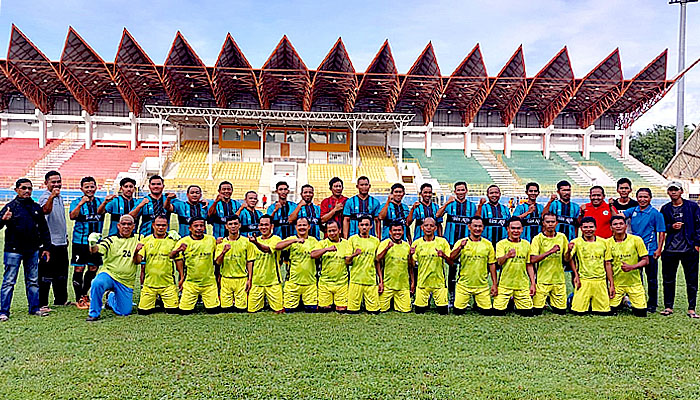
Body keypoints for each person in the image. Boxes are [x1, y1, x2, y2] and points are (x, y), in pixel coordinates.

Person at [0, 179, 51, 321]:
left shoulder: (36, 207)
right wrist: (4, 219)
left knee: (33, 281)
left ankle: (34, 308)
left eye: (29, 188)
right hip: (13, 250)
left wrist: (46, 247)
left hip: (32, 250)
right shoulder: (10, 207)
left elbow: (44, 229)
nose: (27, 191)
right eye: (23, 188)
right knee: (9, 282)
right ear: (16, 190)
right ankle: (3, 312)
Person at [85, 215, 141, 321]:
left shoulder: (139, 239)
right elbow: (96, 250)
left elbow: (153, 239)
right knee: (97, 282)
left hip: (126, 281)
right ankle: (94, 313)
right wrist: (92, 243)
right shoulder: (110, 240)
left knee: (124, 312)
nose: (126, 226)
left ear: (133, 226)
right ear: (118, 226)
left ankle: (110, 298)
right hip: (109, 274)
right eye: (123, 224)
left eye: (129, 224)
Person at [659, 181, 700, 318]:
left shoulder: (692, 206)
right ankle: (668, 307)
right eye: (671, 190)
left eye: (676, 190)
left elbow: (699, 225)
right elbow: (662, 227)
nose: (673, 192)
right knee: (668, 280)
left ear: (681, 191)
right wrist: (672, 227)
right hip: (670, 250)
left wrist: (697, 244)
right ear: (668, 192)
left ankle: (691, 308)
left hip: (689, 249)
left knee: (692, 280)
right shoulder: (665, 208)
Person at [621, 188, 666, 313]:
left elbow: (661, 232)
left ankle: (652, 304)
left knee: (651, 278)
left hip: (650, 251)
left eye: (645, 197)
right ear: (636, 198)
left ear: (650, 198)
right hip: (635, 251)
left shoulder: (655, 213)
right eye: (640, 197)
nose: (642, 199)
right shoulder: (633, 210)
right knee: (636, 278)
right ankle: (638, 301)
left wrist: (659, 249)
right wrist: (611, 205)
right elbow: (619, 217)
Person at [171, 217, 220, 314]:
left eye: (201, 226)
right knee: (184, 312)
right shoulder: (183, 241)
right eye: (196, 226)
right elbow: (173, 256)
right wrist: (181, 277)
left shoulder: (211, 240)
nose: (199, 228)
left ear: (205, 228)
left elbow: (217, 260)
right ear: (190, 228)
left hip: (209, 283)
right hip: (191, 283)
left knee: (213, 311)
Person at [69, 176, 105, 309]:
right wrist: (80, 204)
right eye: (86, 187)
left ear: (96, 188)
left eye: (92, 187)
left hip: (95, 243)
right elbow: (72, 216)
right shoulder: (76, 202)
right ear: (81, 189)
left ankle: (84, 295)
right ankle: (79, 298)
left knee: (93, 268)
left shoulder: (101, 202)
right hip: (80, 241)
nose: (89, 189)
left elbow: (103, 212)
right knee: (79, 268)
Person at [449, 216, 497, 315]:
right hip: (464, 285)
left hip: (482, 286)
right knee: (458, 312)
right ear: (469, 227)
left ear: (483, 228)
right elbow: (451, 258)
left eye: (480, 226)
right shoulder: (461, 242)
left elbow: (492, 264)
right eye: (475, 226)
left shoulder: (488, 244)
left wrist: (494, 284)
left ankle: (478, 303)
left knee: (487, 312)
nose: (477, 229)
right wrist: (460, 247)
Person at [134, 215, 181, 314]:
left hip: (168, 284)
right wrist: (136, 252)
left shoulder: (173, 241)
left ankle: (161, 299)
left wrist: (181, 277)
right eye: (158, 225)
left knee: (173, 311)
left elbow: (178, 260)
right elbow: (138, 261)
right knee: (143, 312)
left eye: (163, 225)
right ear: (153, 225)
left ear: (167, 226)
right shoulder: (146, 240)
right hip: (150, 285)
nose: (161, 228)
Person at [569, 217, 615, 315]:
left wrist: (611, 284)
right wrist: (576, 275)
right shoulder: (576, 242)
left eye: (591, 227)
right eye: (585, 227)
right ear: (581, 228)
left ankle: (592, 303)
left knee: (604, 312)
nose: (588, 229)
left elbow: (607, 263)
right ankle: (572, 299)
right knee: (577, 312)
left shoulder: (604, 242)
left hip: (600, 280)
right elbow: (568, 259)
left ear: (595, 228)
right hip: (583, 280)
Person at [38, 170, 69, 310]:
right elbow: (45, 211)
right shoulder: (45, 197)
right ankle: (42, 303)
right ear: (46, 183)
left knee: (62, 274)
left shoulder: (60, 197)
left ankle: (60, 300)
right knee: (46, 275)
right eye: (53, 182)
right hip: (50, 244)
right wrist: (51, 196)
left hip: (62, 242)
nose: (57, 184)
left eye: (58, 181)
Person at [492, 217, 536, 316]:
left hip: (522, 285)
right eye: (513, 228)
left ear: (522, 229)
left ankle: (514, 301)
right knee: (497, 312)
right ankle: (509, 301)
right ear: (508, 229)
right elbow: (499, 262)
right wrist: (507, 256)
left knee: (528, 313)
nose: (515, 231)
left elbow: (529, 265)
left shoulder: (526, 244)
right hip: (505, 285)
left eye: (518, 228)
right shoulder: (501, 244)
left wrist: (532, 283)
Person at [607, 215, 649, 317]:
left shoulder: (636, 240)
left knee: (641, 313)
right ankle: (621, 300)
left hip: (634, 283)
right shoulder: (607, 242)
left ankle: (629, 300)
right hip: (617, 284)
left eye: (621, 224)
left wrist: (632, 267)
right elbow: (608, 264)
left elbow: (646, 260)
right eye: (615, 224)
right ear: (611, 227)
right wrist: (611, 285)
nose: (618, 226)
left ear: (625, 226)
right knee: (610, 311)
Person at [529, 212, 570, 315]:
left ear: (556, 223)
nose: (550, 224)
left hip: (558, 279)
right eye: (548, 222)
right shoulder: (538, 238)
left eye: (553, 222)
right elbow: (532, 259)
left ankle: (550, 300)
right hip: (542, 280)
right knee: (537, 311)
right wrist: (550, 251)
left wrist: (569, 251)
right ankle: (544, 299)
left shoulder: (562, 237)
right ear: (543, 223)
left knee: (561, 311)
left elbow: (567, 259)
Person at [275, 217, 319, 312]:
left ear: (309, 227)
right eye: (299, 225)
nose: (302, 227)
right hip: (293, 282)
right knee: (289, 310)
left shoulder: (314, 241)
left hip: (310, 282)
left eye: (304, 225)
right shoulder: (291, 239)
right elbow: (277, 246)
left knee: (311, 310)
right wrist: (295, 241)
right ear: (296, 227)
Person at [410, 217, 451, 315]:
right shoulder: (417, 243)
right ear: (422, 228)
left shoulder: (442, 242)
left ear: (435, 228)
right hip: (422, 284)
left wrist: (444, 256)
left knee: (443, 312)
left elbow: (451, 262)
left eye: (431, 226)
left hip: (439, 283)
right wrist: (410, 255)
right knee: (419, 311)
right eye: (426, 225)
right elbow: (412, 264)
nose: (428, 228)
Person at [215, 215, 254, 312]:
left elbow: (250, 262)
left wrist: (249, 279)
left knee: (241, 309)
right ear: (226, 226)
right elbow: (218, 262)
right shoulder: (221, 243)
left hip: (241, 279)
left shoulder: (247, 242)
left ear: (240, 225)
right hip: (226, 279)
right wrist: (223, 252)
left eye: (235, 224)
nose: (233, 226)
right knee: (225, 309)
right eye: (230, 224)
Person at [311, 220, 352, 312]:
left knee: (341, 310)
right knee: (324, 309)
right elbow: (313, 255)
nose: (332, 233)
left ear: (339, 230)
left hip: (342, 283)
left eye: (334, 230)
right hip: (325, 282)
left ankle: (338, 301)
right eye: (329, 231)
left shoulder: (346, 243)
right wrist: (326, 249)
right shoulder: (322, 243)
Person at [246, 215, 283, 313]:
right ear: (258, 226)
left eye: (266, 225)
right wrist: (249, 279)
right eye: (261, 225)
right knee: (251, 310)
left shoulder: (276, 239)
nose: (263, 227)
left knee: (279, 310)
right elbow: (250, 261)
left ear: (272, 226)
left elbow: (266, 249)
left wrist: (256, 243)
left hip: (273, 281)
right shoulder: (252, 242)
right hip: (257, 282)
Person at [346, 216, 381, 314]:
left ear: (371, 226)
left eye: (366, 225)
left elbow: (377, 262)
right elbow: (347, 261)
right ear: (358, 226)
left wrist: (380, 281)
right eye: (362, 225)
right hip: (355, 280)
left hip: (370, 280)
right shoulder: (352, 239)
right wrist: (354, 254)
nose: (364, 227)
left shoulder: (375, 241)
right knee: (352, 311)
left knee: (374, 311)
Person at [376, 222, 414, 313]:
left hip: (403, 286)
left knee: (406, 310)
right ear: (390, 232)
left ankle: (397, 300)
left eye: (399, 230)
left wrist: (412, 282)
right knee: (380, 309)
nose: (397, 233)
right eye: (395, 230)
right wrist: (381, 282)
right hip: (387, 285)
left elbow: (410, 266)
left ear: (403, 232)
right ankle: (391, 300)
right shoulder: (384, 243)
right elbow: (377, 259)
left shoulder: (406, 245)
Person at [437, 181, 477, 246]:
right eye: (458, 190)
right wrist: (447, 203)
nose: (460, 192)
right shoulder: (450, 204)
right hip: (450, 241)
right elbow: (438, 215)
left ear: (466, 191)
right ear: (455, 192)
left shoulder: (472, 206)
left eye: (462, 190)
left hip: (467, 241)